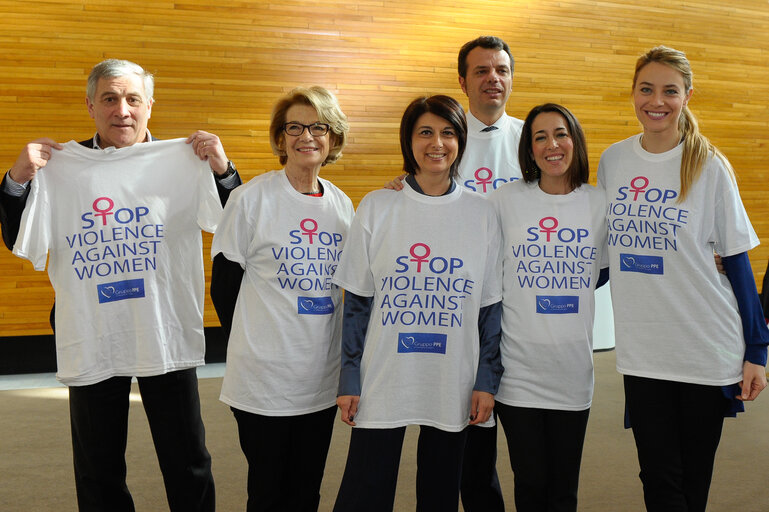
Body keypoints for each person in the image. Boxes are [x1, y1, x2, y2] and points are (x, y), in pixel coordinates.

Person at [1, 58, 241, 512]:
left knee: (188, 458)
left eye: (133, 99)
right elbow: (19, 240)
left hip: (163, 327)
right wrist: (18, 180)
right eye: (110, 99)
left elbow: (234, 227)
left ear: (149, 105)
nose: (122, 110)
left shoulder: (185, 161)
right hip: (94, 333)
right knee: (98, 467)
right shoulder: (59, 167)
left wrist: (222, 171)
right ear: (91, 105)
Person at [597, 46, 768, 512]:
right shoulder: (614, 161)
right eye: (647, 89)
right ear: (632, 94)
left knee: (693, 479)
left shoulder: (710, 165)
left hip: (705, 346)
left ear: (687, 96)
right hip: (645, 352)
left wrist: (757, 349)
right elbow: (609, 253)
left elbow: (736, 262)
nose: (657, 100)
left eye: (670, 91)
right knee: (657, 475)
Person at [331, 95, 503, 512]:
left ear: (461, 141)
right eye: (425, 132)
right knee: (365, 490)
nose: (437, 143)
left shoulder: (481, 213)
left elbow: (490, 309)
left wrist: (486, 379)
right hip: (385, 371)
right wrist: (349, 377)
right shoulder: (377, 206)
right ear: (408, 141)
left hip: (452, 374)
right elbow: (357, 300)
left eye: (447, 133)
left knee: (441, 491)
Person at [387, 35, 522, 510]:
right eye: (482, 70)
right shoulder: (444, 137)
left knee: (525, 448)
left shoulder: (534, 140)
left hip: (524, 307)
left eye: (501, 69)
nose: (493, 78)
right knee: (468, 447)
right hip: (462, 310)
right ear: (462, 80)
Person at [210, 86, 354, 512]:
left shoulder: (342, 206)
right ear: (280, 138)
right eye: (295, 127)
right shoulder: (250, 199)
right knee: (269, 491)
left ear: (333, 139)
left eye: (318, 127)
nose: (306, 136)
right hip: (264, 380)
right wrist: (256, 343)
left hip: (320, 379)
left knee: (307, 489)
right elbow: (224, 287)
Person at [490, 103, 608, 512]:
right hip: (519, 370)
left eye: (560, 133)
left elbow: (619, 264)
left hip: (573, 370)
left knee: (563, 488)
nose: (551, 144)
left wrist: (711, 258)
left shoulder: (599, 203)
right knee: (531, 481)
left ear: (575, 139)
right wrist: (407, 186)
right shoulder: (505, 200)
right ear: (529, 148)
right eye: (539, 137)